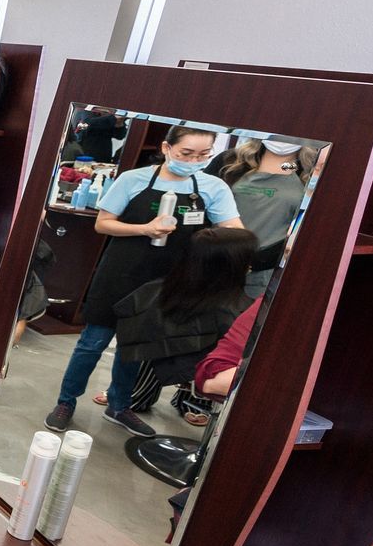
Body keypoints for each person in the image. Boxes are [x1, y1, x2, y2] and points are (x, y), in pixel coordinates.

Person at [47, 125, 244, 437]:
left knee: (134, 348)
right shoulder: (133, 179)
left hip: (166, 281)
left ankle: (119, 406)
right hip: (119, 275)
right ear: (166, 148)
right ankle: (66, 402)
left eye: (203, 155)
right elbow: (103, 224)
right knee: (92, 343)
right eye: (186, 153)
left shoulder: (212, 187)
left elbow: (232, 227)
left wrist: (233, 238)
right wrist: (145, 229)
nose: (194, 161)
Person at [113, 227, 256, 423]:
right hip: (196, 368)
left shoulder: (167, 288)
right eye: (248, 260)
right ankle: (139, 395)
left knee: (158, 340)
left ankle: (149, 396)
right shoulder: (235, 307)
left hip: (189, 362)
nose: (251, 266)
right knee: (159, 341)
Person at [217, 137, 314, 299]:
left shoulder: (305, 172)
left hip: (261, 272)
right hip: (217, 259)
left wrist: (258, 260)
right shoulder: (232, 161)